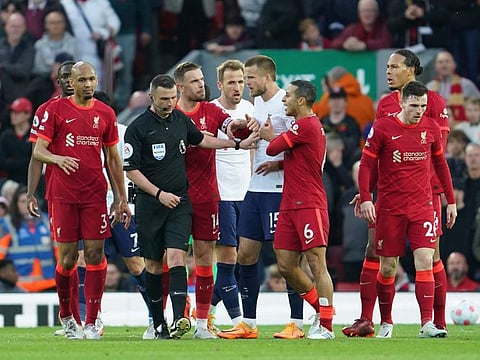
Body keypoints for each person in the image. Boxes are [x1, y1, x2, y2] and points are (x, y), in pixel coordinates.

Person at [123, 74, 258, 340]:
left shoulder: (181, 119)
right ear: (152, 98)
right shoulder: (137, 128)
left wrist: (236, 144)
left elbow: (202, 140)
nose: (170, 103)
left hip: (180, 203)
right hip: (151, 204)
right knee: (152, 264)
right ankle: (157, 322)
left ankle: (183, 319)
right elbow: (131, 169)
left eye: (173, 98)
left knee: (177, 257)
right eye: (164, 99)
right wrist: (158, 193)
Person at [343, 48, 452, 338]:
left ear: (412, 69)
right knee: (375, 252)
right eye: (387, 66)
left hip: (424, 193)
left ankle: (436, 321)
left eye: (394, 66)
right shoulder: (385, 105)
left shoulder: (434, 103)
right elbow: (377, 156)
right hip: (390, 194)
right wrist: (367, 191)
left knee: (430, 256)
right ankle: (369, 318)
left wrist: (443, 196)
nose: (388, 71)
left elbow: (435, 154)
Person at [33, 61, 131, 340]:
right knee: (66, 259)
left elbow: (113, 159)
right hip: (62, 195)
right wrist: (57, 158)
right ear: (71, 83)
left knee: (94, 256)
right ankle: (67, 316)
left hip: (94, 195)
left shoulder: (106, 113)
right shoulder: (54, 110)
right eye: (83, 80)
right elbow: (39, 151)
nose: (89, 84)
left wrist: (120, 198)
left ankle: (91, 320)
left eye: (92, 79)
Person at [217, 55, 305, 340]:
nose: (246, 84)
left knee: (286, 260)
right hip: (254, 189)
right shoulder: (256, 104)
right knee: (245, 255)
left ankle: (297, 322)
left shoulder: (286, 103)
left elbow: (310, 146)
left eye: (250, 78)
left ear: (267, 77)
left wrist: (279, 164)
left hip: (279, 190)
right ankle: (249, 323)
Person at [174, 62, 256, 339]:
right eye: (195, 81)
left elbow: (228, 123)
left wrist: (239, 127)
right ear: (180, 87)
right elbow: (200, 141)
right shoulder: (170, 116)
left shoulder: (211, 111)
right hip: (174, 198)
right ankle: (167, 317)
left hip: (208, 196)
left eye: (201, 80)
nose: (201, 85)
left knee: (206, 261)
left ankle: (201, 323)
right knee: (170, 259)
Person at [258, 79, 335, 339]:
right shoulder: (300, 128)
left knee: (316, 263)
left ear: (301, 101)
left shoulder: (306, 125)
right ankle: (322, 311)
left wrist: (271, 136)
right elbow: (300, 158)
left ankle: (326, 326)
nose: (284, 99)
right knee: (285, 263)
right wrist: (280, 164)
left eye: (288, 95)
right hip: (290, 204)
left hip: (309, 204)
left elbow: (271, 147)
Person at [207, 59, 254, 330]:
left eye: (241, 81)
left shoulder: (249, 109)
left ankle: (207, 311)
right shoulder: (211, 111)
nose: (238, 87)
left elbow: (250, 151)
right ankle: (239, 322)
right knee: (228, 258)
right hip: (221, 194)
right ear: (220, 85)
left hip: (245, 193)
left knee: (240, 260)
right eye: (232, 82)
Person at [0, 185, 57, 292]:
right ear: (16, 204)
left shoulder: (49, 221)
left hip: (49, 285)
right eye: (22, 201)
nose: (27, 204)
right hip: (19, 287)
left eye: (30, 200)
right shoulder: (6, 224)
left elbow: (60, 255)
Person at [312, 66, 376, 132]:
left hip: (334, 140)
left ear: (332, 81)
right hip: (363, 141)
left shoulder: (327, 99)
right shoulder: (368, 102)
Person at [0, 12, 35, 131]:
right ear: (6, 27)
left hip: (19, 93)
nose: (15, 30)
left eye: (18, 26)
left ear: (24, 28)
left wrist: (3, 66)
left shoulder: (29, 48)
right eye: (12, 26)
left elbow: (24, 70)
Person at [427, 50, 480, 123]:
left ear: (454, 65)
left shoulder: (466, 85)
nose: (444, 65)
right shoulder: (429, 87)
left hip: (462, 130)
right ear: (435, 66)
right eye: (440, 62)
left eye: (447, 61)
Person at [327, 0, 392, 51]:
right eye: (364, 11)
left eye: (371, 11)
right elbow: (334, 43)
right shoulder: (352, 29)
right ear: (359, 14)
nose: (367, 14)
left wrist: (365, 45)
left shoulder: (382, 27)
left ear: (377, 13)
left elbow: (386, 43)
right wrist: (344, 44)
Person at [0, 97, 33, 185]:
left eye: (17, 112)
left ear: (27, 114)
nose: (13, 115)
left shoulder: (35, 135)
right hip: (10, 180)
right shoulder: (6, 136)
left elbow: (34, 163)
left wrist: (13, 161)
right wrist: (24, 162)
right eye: (12, 112)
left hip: (31, 181)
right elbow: (2, 163)